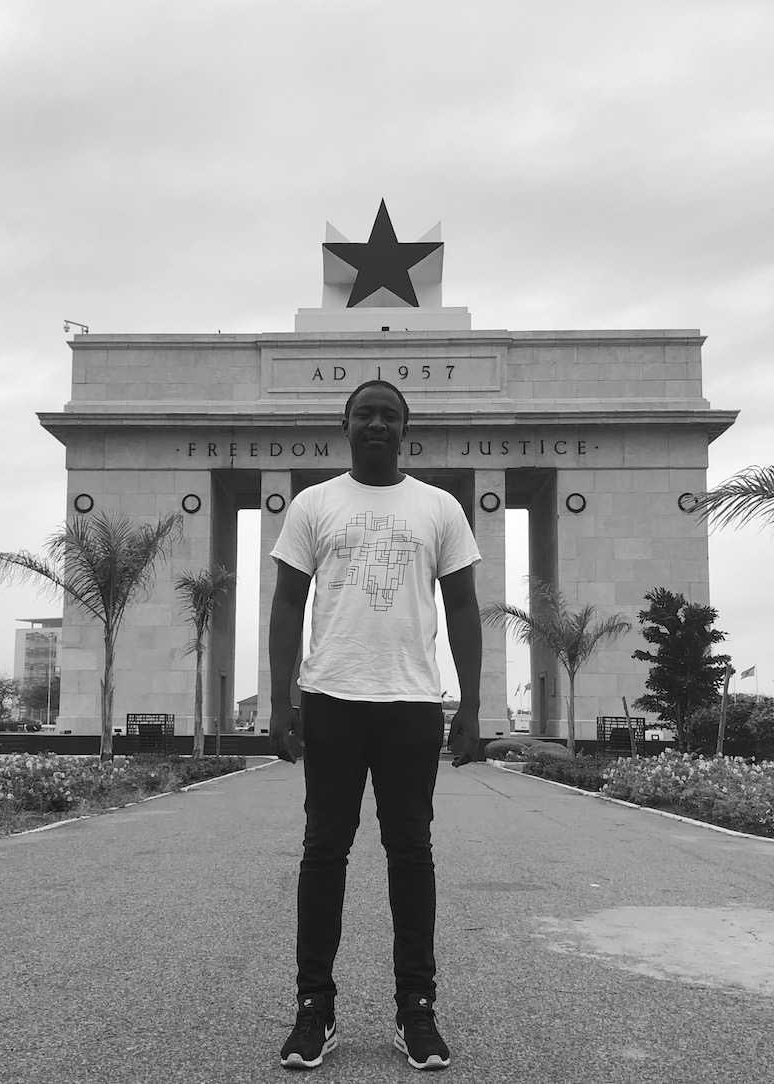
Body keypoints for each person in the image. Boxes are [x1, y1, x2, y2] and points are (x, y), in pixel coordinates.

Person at [268, 379, 483, 1071]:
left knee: (410, 854)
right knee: (323, 853)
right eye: (366, 414)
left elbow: (464, 609)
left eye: (389, 415)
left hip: (411, 702)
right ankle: (314, 1009)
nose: (377, 424)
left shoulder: (439, 507)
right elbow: (287, 604)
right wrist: (281, 702)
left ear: (405, 429)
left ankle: (416, 1010)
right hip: (331, 697)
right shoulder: (314, 504)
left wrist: (471, 706)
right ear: (346, 424)